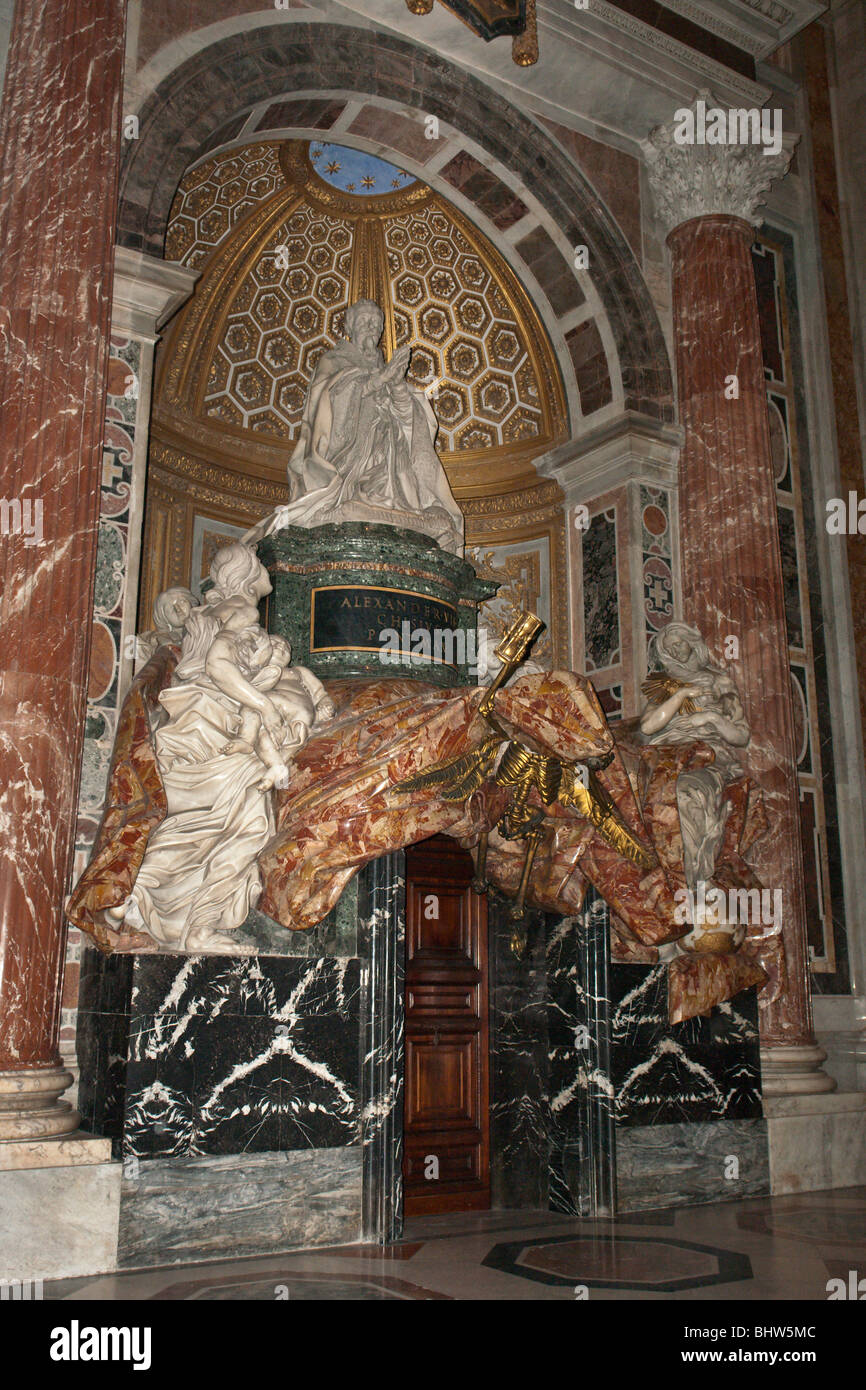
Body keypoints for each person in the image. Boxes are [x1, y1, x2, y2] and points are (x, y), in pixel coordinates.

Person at [244, 299, 464, 555]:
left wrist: (396, 386)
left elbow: (411, 423)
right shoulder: (333, 361)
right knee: (351, 504)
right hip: (348, 458)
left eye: (375, 323)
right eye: (364, 320)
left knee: (432, 512)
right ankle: (353, 496)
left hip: (390, 459)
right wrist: (376, 380)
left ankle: (397, 506)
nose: (370, 326)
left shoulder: (388, 369)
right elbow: (326, 401)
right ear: (350, 326)